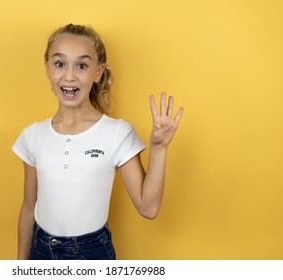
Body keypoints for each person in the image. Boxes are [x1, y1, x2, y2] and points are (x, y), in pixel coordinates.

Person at [12, 24, 183, 260]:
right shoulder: (32, 135)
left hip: (92, 253)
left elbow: (149, 207)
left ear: (98, 72)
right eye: (60, 64)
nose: (69, 76)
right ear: (47, 68)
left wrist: (159, 148)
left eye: (82, 65)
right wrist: (20, 266)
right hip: (41, 250)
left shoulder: (117, 133)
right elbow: (29, 208)